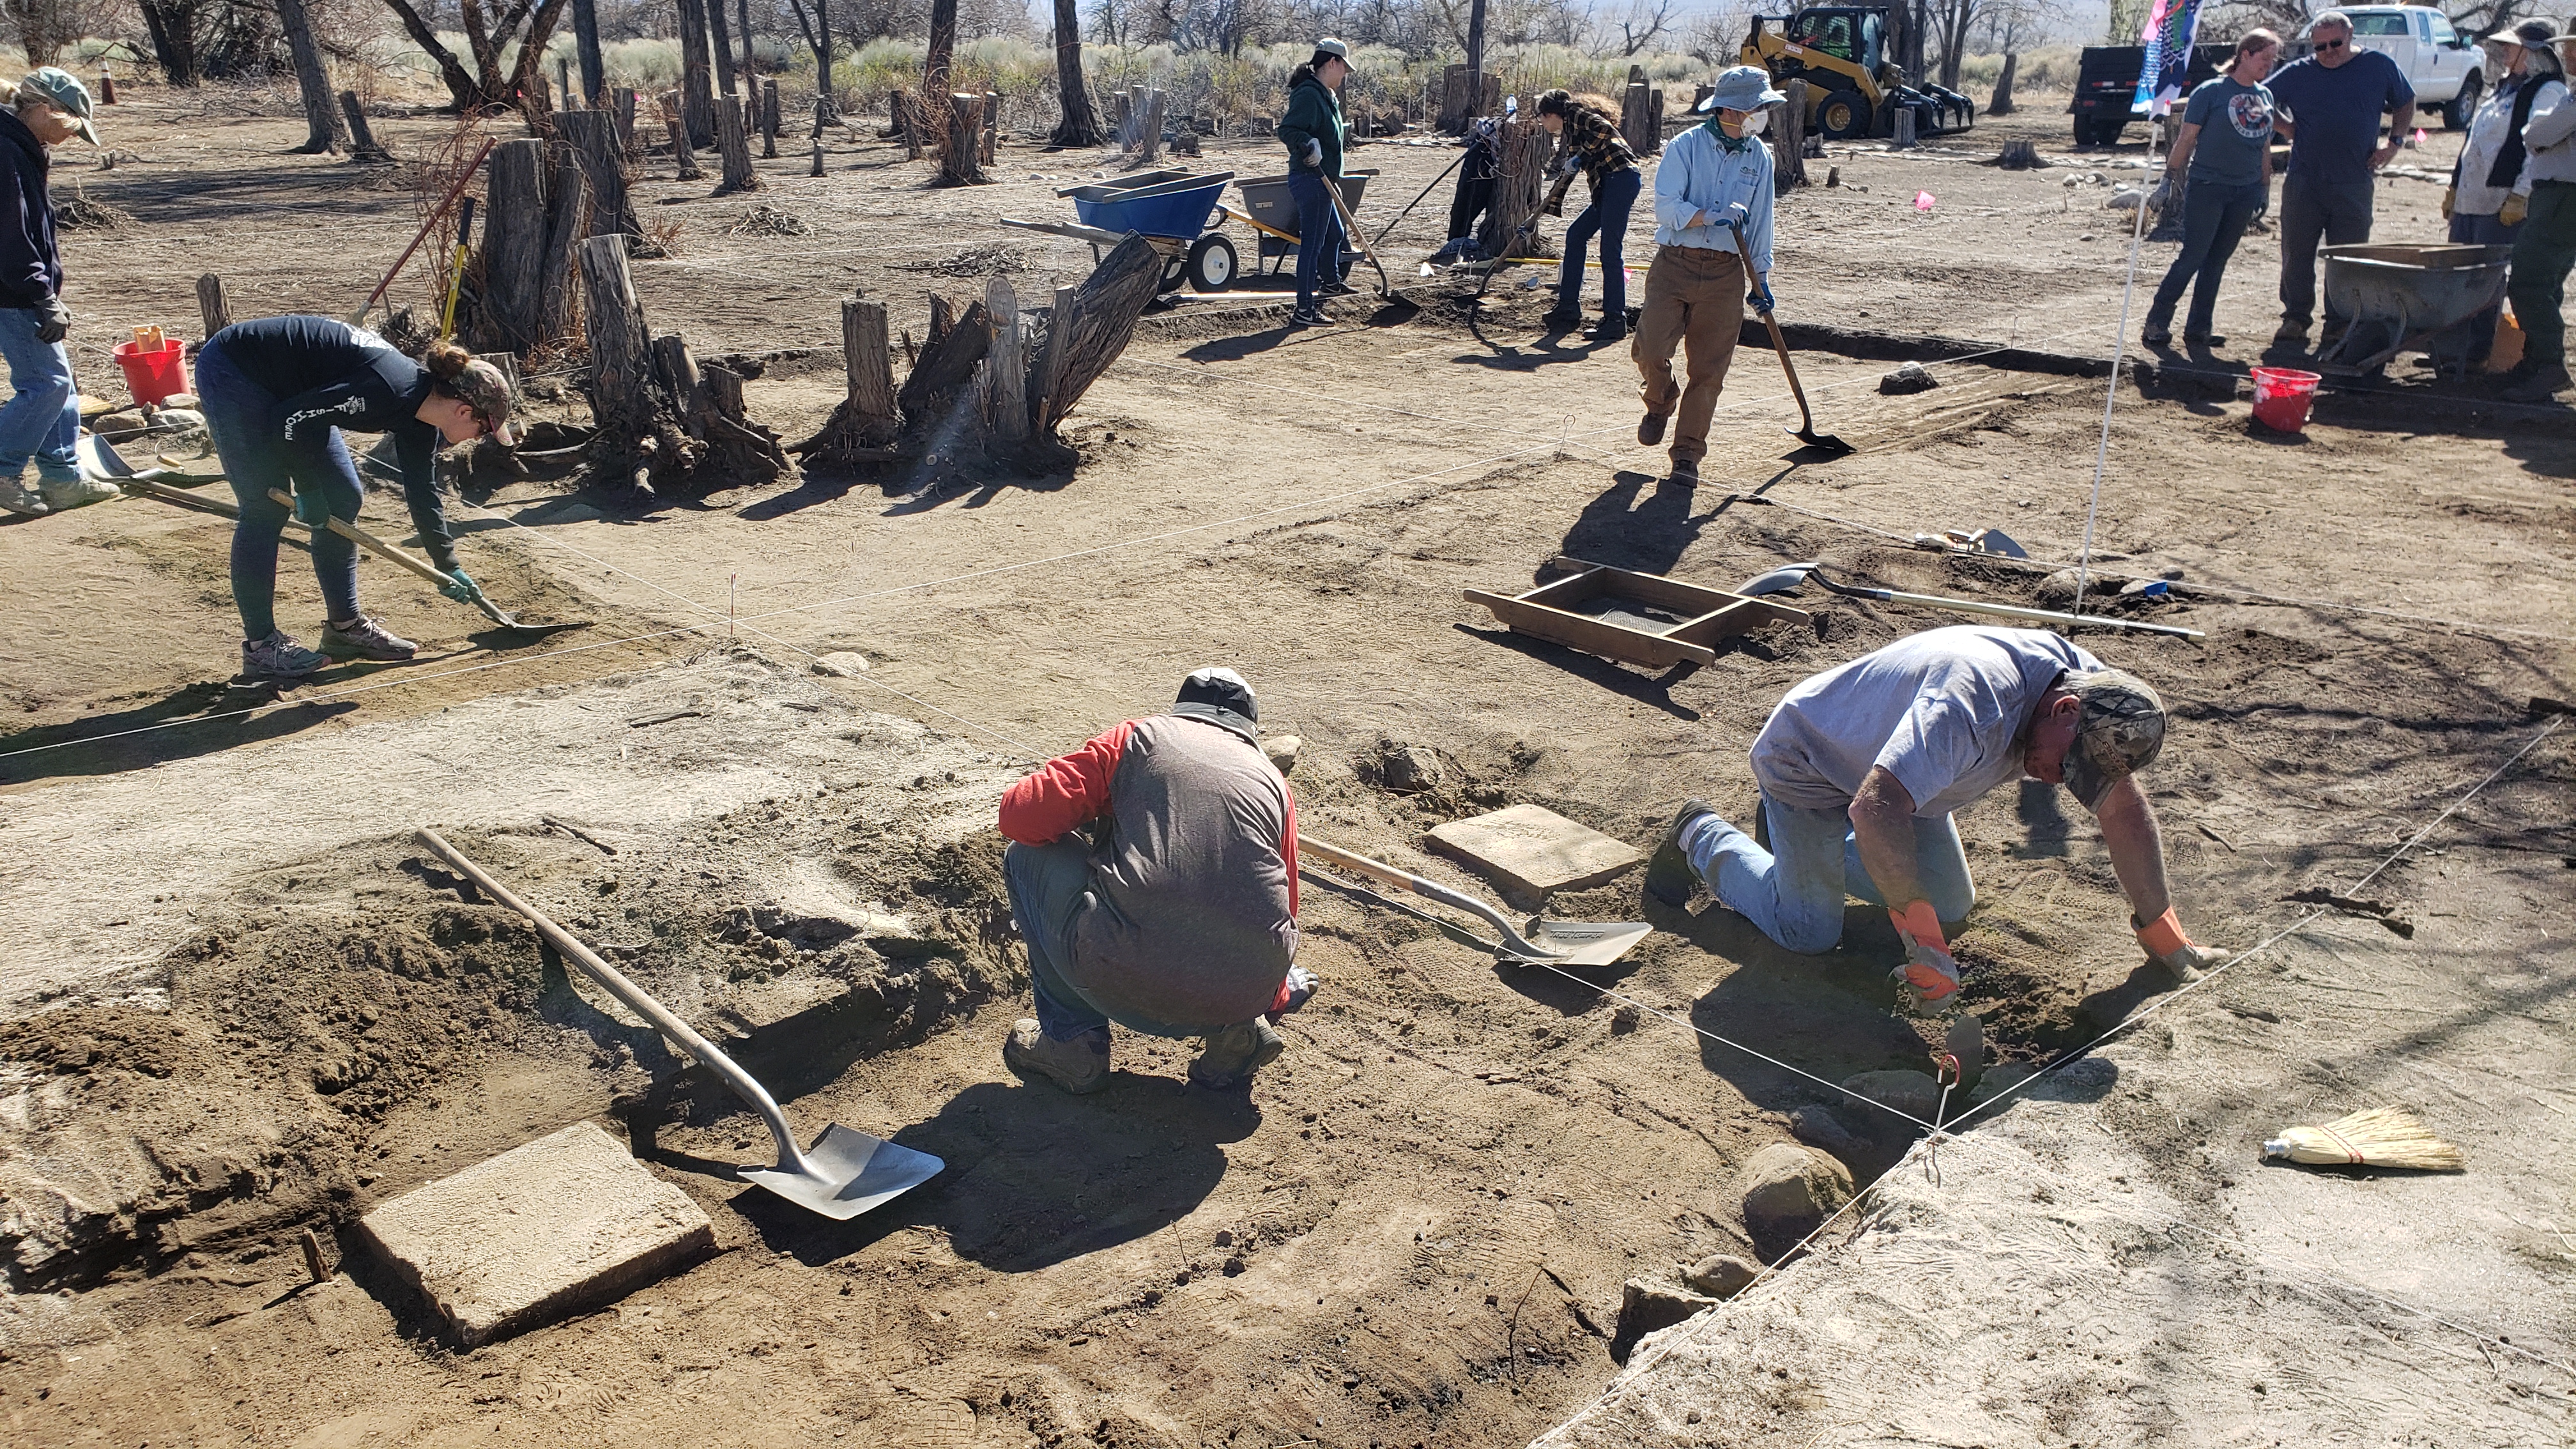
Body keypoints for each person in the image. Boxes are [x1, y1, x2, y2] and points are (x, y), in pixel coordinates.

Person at [1641, 626, 2223, 1015]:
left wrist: (2162, 931)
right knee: (1810, 932)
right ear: (2063, 711)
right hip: (1809, 760)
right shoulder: (1972, 706)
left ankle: (1799, 851)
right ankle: (1701, 833)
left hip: (1900, 782)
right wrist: (1923, 946)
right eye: (2069, 765)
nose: (2061, 781)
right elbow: (1876, 809)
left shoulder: (2096, 694)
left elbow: (2122, 810)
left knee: (1948, 905)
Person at [996, 668, 1315, 1095]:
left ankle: (1072, 1046)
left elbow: (1019, 818)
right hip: (1240, 997)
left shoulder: (1137, 738)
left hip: (1124, 978)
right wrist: (1267, 1000)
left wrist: (1103, 804)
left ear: (1181, 712)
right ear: (1249, 731)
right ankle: (1235, 1036)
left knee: (1027, 856)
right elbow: (1285, 908)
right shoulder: (1274, 784)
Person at [194, 316, 517, 678]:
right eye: (484, 428)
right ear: (463, 410)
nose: (479, 438)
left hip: (298, 394)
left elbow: (422, 491)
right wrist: (308, 489)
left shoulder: (422, 417)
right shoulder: (387, 391)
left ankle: (344, 630)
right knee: (264, 506)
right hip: (239, 369)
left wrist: (447, 563)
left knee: (344, 499)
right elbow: (292, 420)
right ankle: (261, 649)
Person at [1634, 65, 1779, 489]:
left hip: (1725, 274)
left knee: (1710, 369)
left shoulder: (1760, 156)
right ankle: (1660, 400)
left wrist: (1762, 279)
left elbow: (1761, 223)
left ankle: (1687, 455)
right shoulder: (1685, 147)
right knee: (1650, 348)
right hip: (1674, 265)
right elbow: (1665, 209)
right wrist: (1710, 216)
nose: (1762, 114)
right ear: (1730, 110)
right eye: (1758, 107)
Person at [2264, 10, 2415, 353]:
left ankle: (2341, 322)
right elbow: (2261, 98)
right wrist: (2287, 128)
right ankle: (2296, 317)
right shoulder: (2299, 72)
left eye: (2335, 43)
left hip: (2354, 180)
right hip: (2305, 179)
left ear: (2351, 36)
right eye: (2320, 46)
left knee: (2347, 256)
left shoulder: (2378, 66)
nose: (2328, 51)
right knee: (2297, 251)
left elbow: (2406, 101)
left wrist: (2394, 143)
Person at [0, 67, 108, 518]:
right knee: (46, 384)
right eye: (72, 126)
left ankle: (64, 479)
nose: (72, 137)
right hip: (12, 289)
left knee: (61, 385)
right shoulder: (5, 149)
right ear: (46, 110)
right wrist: (41, 294)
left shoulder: (23, 145)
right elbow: (9, 233)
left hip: (23, 285)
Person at [2142, 30, 2282, 349]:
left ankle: (2199, 328)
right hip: (2209, 186)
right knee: (2194, 255)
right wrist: (2168, 179)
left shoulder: (2265, 96)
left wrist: (2264, 187)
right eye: (2264, 58)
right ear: (2245, 54)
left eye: (2273, 60)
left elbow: (2263, 146)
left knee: (2218, 259)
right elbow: (2187, 139)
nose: (2268, 66)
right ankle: (2157, 321)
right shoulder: (2211, 93)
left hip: (2244, 191)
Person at [2448, 21, 2560, 371]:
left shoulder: (2547, 91)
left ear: (2533, 53)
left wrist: (2521, 194)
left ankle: (2479, 350)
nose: (2505, 54)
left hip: (2500, 201)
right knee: (2459, 276)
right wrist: (2455, 186)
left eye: (2513, 49)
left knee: (2487, 279)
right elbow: (2474, 143)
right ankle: (2455, 345)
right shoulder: (2503, 90)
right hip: (2473, 198)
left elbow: (2537, 148)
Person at [2497, 30, 2576, 401]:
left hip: (2565, 194)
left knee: (2528, 279)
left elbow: (2538, 134)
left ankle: (2548, 365)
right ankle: (2536, 362)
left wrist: (2544, 133)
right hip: (2557, 194)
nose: (2568, 54)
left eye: (2575, 48)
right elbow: (2539, 134)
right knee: (2544, 281)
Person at [1535, 89, 1642, 343]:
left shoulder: (1576, 114)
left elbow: (1604, 131)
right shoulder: (1571, 129)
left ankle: (1615, 320)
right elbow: (1575, 166)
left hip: (1620, 178)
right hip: (1607, 184)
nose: (1542, 123)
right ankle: (1568, 307)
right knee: (1576, 235)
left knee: (1609, 250)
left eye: (1541, 117)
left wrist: (1579, 157)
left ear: (1551, 113)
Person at [1276, 39, 1354, 328]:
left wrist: (1334, 177)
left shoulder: (1326, 95)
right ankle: (1304, 310)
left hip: (1324, 180)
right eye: (1344, 68)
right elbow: (1287, 130)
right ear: (1331, 63)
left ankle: (1331, 283)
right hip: (1310, 179)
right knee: (1312, 244)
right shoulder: (1309, 94)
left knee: (1334, 234)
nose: (1344, 75)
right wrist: (1306, 143)